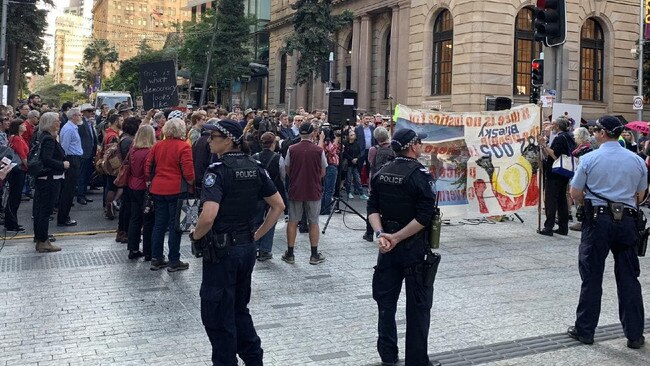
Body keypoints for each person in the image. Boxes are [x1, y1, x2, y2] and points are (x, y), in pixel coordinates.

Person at [190, 119, 284, 366]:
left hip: (222, 252)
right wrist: (258, 235)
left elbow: (208, 215)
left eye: (213, 137)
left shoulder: (218, 170)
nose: (209, 141)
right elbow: (278, 206)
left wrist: (195, 236)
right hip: (245, 247)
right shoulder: (255, 165)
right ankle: (254, 359)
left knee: (217, 314)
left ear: (228, 139)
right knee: (239, 308)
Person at [567, 115, 646, 349]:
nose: (593, 134)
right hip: (627, 222)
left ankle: (586, 330)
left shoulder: (590, 158)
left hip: (597, 220)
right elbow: (640, 196)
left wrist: (586, 204)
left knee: (591, 276)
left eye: (595, 131)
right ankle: (634, 334)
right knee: (629, 277)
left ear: (602, 133)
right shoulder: (636, 160)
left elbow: (575, 192)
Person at [367, 128, 440, 366]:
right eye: (419, 143)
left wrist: (381, 235)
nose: (421, 147)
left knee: (386, 305)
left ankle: (388, 355)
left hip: (386, 248)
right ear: (412, 146)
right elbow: (424, 216)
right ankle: (417, 362)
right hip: (412, 248)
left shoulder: (381, 172)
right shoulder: (420, 175)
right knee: (418, 308)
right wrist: (397, 237)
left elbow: (372, 208)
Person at [145, 118, 195, 272]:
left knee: (159, 224)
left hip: (158, 189)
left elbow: (148, 166)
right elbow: (188, 172)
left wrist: (149, 181)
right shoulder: (184, 147)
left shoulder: (157, 146)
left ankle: (157, 258)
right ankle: (174, 260)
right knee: (176, 226)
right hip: (177, 189)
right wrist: (192, 182)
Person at [282, 121, 327, 265]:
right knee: (313, 222)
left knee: (293, 221)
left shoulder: (292, 149)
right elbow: (323, 171)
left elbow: (287, 169)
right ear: (313, 133)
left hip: (296, 188)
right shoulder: (319, 150)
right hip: (313, 189)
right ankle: (314, 254)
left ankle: (290, 253)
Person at [33, 112, 69, 253]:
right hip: (50, 179)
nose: (59, 123)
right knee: (45, 211)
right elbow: (47, 159)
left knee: (40, 210)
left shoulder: (42, 136)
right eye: (56, 121)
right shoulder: (48, 139)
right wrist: (63, 164)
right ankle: (43, 241)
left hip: (44, 179)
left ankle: (41, 238)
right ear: (49, 123)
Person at [538, 117, 575, 236]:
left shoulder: (560, 138)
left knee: (551, 200)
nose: (551, 127)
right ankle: (563, 228)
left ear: (558, 126)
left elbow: (555, 156)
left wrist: (544, 145)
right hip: (564, 173)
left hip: (555, 173)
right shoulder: (569, 137)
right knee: (561, 199)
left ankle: (548, 227)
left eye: (553, 125)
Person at [253, 132, 286, 261]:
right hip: (273, 193)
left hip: (257, 194)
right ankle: (265, 250)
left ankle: (255, 245)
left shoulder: (254, 157)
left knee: (256, 220)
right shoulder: (278, 158)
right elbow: (282, 176)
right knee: (271, 221)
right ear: (273, 144)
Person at [126, 125, 156, 260]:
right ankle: (148, 251)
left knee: (134, 218)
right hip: (144, 187)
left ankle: (133, 248)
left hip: (132, 185)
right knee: (148, 220)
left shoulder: (133, 149)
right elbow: (147, 173)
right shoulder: (149, 151)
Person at [57, 108, 84, 227]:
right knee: (68, 191)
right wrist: (65, 161)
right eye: (78, 115)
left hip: (75, 159)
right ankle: (63, 218)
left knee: (70, 190)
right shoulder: (69, 129)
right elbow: (64, 147)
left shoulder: (72, 128)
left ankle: (64, 216)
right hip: (71, 160)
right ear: (73, 116)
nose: (80, 116)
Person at [115, 117, 139, 243]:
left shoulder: (124, 138)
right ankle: (125, 231)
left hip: (126, 176)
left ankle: (122, 231)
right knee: (128, 206)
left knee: (126, 205)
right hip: (129, 176)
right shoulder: (130, 141)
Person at [5, 119, 28, 232]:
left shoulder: (14, 137)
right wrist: (29, 167)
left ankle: (10, 221)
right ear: (18, 127)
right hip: (18, 170)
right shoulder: (17, 139)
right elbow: (23, 156)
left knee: (13, 196)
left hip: (15, 170)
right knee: (15, 197)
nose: (24, 125)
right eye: (22, 124)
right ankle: (12, 223)